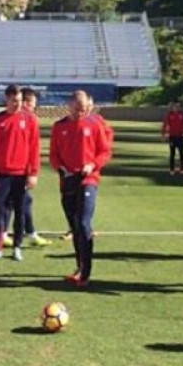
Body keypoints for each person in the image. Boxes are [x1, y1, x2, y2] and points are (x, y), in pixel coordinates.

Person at [49, 89, 112, 287]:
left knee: (84, 223)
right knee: (75, 226)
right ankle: (79, 266)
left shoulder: (95, 124)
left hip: (88, 179)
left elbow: (104, 151)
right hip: (67, 181)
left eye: (84, 109)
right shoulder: (59, 127)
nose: (80, 112)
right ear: (69, 106)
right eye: (77, 109)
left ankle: (86, 272)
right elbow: (53, 155)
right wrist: (61, 168)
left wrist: (92, 165)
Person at [0, 85, 41, 262]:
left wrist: (33, 173)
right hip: (2, 173)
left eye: (20, 101)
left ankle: (17, 247)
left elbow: (34, 148)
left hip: (22, 174)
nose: (18, 104)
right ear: (6, 99)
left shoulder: (29, 119)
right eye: (14, 101)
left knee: (20, 211)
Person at [1, 87, 50, 247]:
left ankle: (25, 232)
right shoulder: (15, 118)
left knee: (23, 201)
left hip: (22, 170)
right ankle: (10, 233)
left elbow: (33, 148)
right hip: (11, 171)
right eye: (32, 103)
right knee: (14, 202)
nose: (33, 107)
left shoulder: (29, 119)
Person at [161, 102, 183, 175]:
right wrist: (163, 135)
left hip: (180, 137)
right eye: (175, 106)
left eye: (178, 106)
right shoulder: (169, 115)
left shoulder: (182, 114)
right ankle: (172, 170)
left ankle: (182, 169)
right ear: (172, 107)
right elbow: (165, 125)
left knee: (182, 153)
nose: (177, 108)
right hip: (172, 137)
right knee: (172, 153)